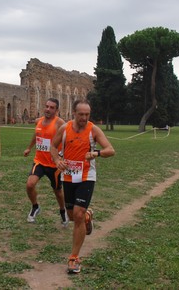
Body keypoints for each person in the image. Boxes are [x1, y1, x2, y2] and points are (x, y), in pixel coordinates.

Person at [50, 99, 115, 274]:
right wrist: (57, 160)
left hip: (87, 177)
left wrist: (96, 153)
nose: (84, 118)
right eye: (81, 114)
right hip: (69, 176)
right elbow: (52, 146)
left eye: (87, 114)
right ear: (73, 113)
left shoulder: (93, 130)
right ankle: (87, 216)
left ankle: (74, 258)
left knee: (76, 215)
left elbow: (111, 149)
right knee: (72, 216)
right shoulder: (64, 129)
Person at [23, 98, 68, 226]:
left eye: (52, 107)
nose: (48, 109)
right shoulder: (39, 121)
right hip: (40, 161)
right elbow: (36, 135)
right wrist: (29, 148)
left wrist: (63, 156)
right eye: (47, 106)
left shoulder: (60, 123)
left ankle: (62, 210)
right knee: (30, 185)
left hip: (54, 164)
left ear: (57, 110)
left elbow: (67, 139)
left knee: (58, 191)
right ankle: (35, 207)